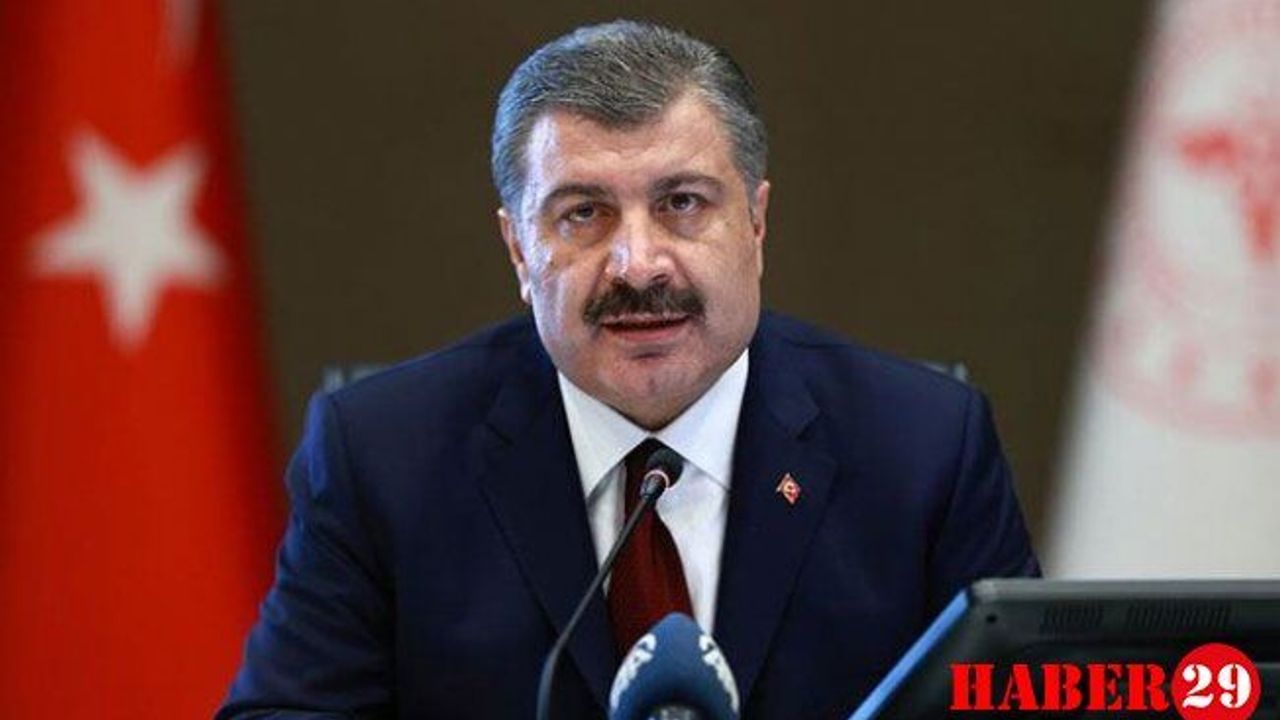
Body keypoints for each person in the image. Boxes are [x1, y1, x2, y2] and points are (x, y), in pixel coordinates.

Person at [218, 20, 1039, 719]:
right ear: (519, 249)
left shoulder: (925, 449)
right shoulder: (381, 456)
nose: (638, 264)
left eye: (682, 203)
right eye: (584, 213)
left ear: (756, 223)